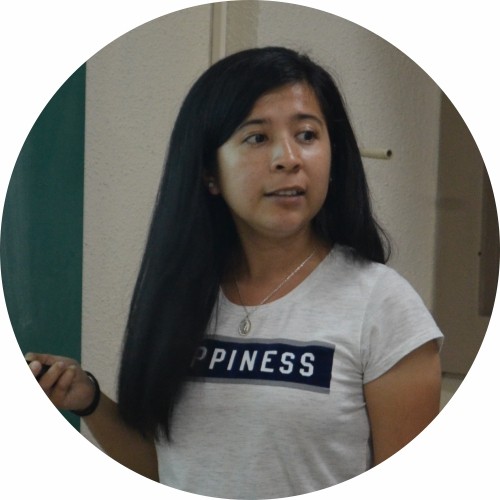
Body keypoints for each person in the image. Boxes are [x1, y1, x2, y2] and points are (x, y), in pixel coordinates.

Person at [26, 46, 443, 499]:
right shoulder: (179, 296)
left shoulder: (383, 306)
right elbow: (167, 469)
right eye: (257, 138)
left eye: (307, 134)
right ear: (210, 172)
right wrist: (88, 399)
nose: (288, 158)